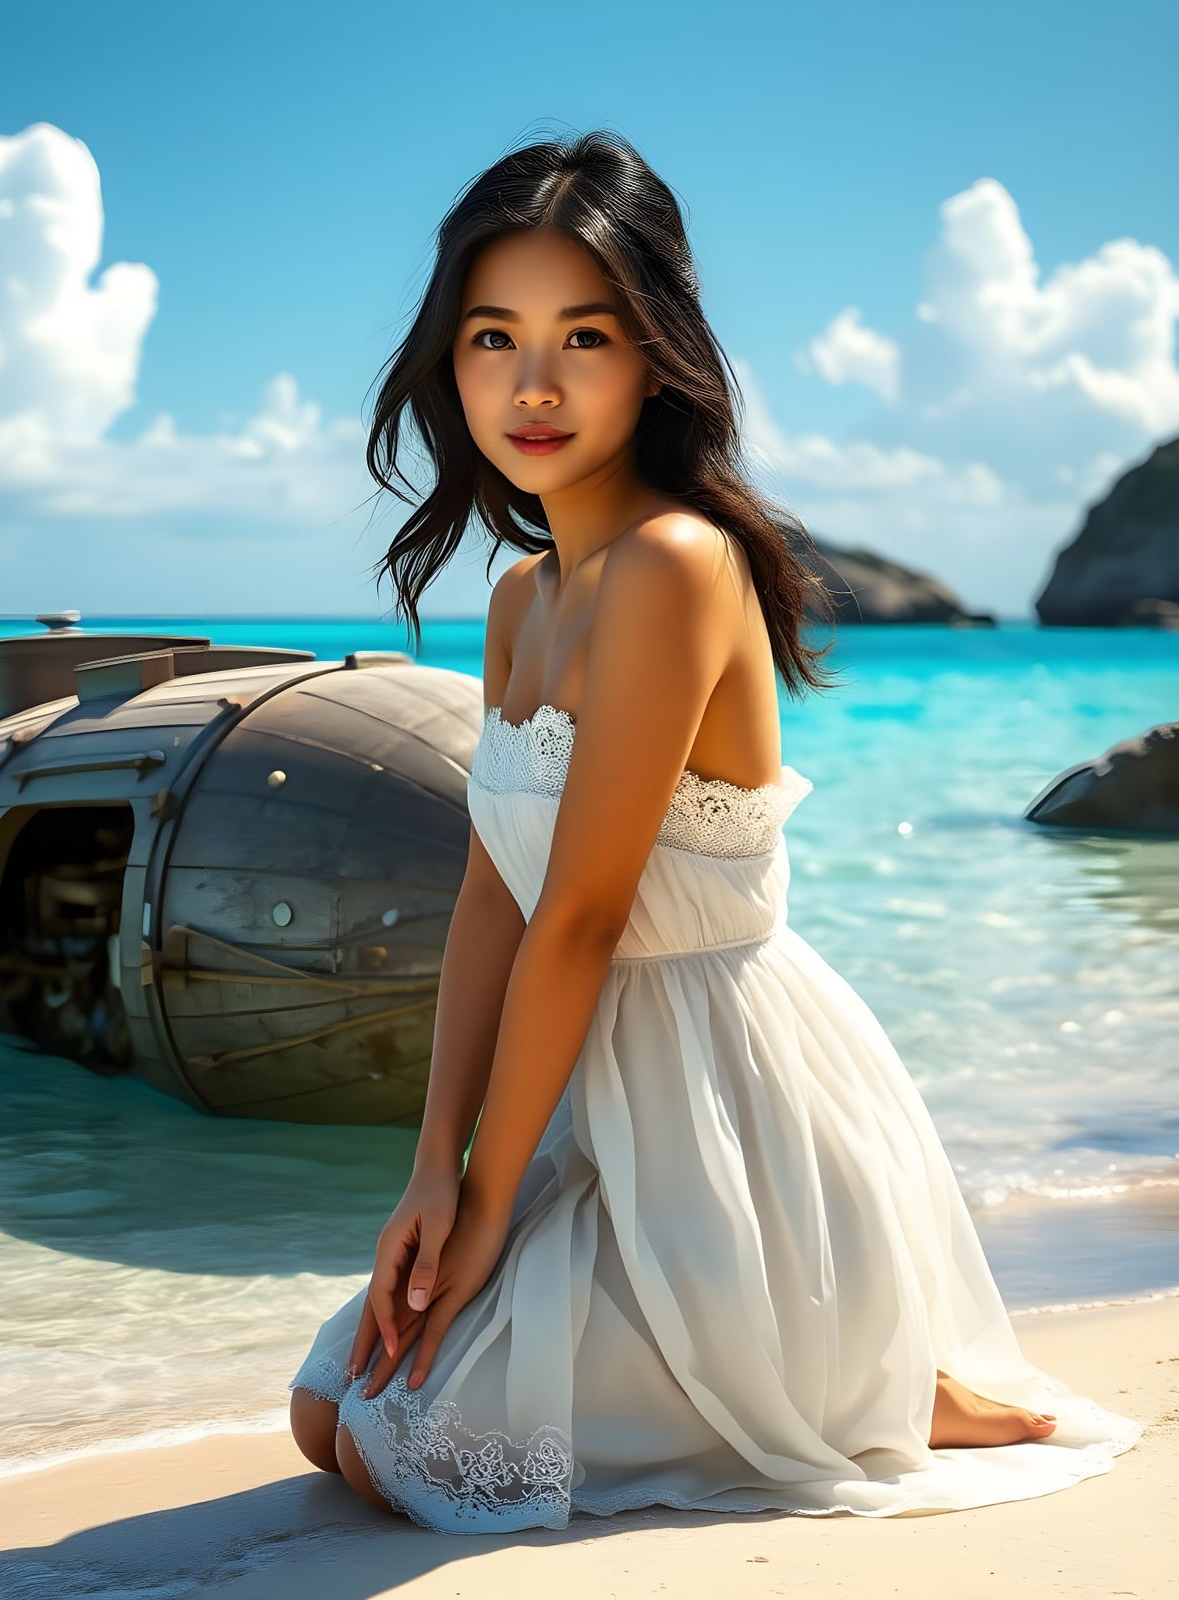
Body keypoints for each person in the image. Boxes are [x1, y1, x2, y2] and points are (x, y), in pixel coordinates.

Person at [286, 129, 1141, 1534]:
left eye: (585, 337)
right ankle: (857, 1373)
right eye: (495, 337)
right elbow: (495, 899)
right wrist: (433, 1169)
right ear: (450, 360)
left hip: (728, 1124)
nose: (535, 384)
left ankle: (862, 1374)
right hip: (591, 1109)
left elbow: (583, 914)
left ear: (656, 355)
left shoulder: (678, 565)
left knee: (395, 1456)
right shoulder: (520, 601)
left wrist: (487, 1210)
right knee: (329, 1415)